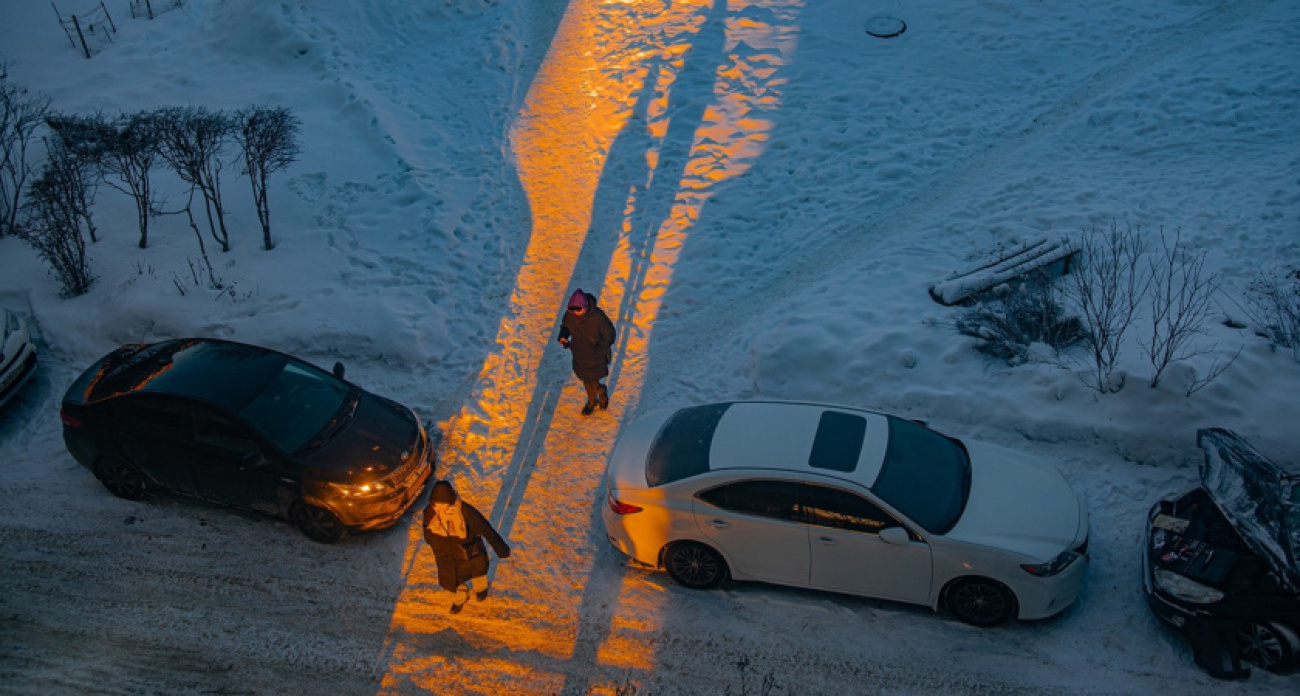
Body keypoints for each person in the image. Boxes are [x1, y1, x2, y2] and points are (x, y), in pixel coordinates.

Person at [422, 480, 511, 615]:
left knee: (477, 571)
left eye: (442, 505)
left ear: (450, 501)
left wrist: (501, 548)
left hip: (470, 551)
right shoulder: (431, 511)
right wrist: (431, 540)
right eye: (436, 505)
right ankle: (460, 598)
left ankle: (480, 589)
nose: (438, 509)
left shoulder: (465, 511)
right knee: (454, 579)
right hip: (446, 554)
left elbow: (485, 528)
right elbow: (426, 527)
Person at [557, 288, 616, 415]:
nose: (575, 312)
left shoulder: (598, 317)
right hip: (579, 354)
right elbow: (565, 326)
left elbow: (610, 335)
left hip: (595, 357)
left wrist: (599, 351)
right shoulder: (570, 314)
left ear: (585, 306)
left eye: (578, 309)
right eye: (572, 309)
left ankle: (601, 392)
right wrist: (563, 336)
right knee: (585, 379)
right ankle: (592, 401)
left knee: (593, 381)